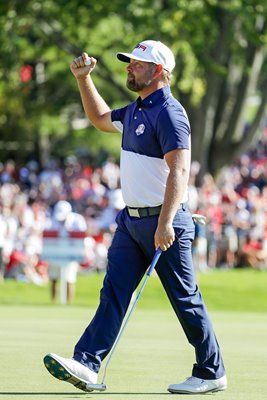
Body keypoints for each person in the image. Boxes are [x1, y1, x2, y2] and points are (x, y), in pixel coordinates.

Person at [43, 40, 227, 394]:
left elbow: (180, 170)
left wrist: (165, 222)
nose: (129, 67)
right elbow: (98, 119)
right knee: (112, 292)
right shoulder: (134, 111)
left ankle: (210, 371)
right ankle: (86, 363)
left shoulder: (170, 112)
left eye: (137, 63)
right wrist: (84, 79)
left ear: (158, 70)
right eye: (129, 62)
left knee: (185, 299)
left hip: (165, 222)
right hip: (131, 223)